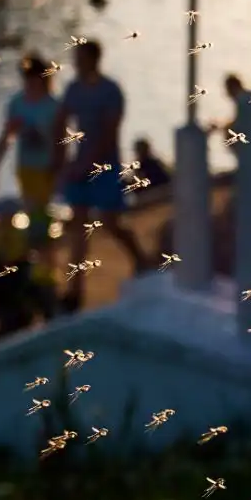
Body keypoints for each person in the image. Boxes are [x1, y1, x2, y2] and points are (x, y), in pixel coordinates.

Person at [53, 39, 148, 312]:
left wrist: (88, 164)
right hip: (79, 165)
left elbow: (110, 133)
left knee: (110, 221)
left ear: (94, 59)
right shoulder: (73, 89)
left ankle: (140, 258)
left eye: (81, 58)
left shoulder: (111, 91)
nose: (77, 63)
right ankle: (75, 290)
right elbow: (61, 119)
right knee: (78, 226)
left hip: (104, 167)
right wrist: (60, 158)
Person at [0, 54, 59, 223]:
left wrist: (61, 171)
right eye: (26, 77)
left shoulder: (53, 106)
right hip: (25, 166)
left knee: (39, 210)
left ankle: (41, 242)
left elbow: (61, 142)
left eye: (33, 77)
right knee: (31, 210)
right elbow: (6, 137)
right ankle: (36, 243)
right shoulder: (17, 104)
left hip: (48, 168)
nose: (29, 82)